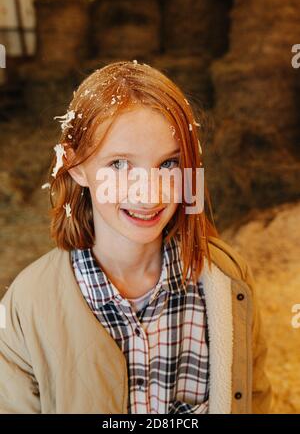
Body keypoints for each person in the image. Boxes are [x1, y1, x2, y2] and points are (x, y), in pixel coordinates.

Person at [0, 60, 272, 414]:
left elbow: (256, 399)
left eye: (169, 164)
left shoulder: (228, 280)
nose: (149, 194)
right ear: (75, 164)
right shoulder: (26, 307)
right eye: (119, 164)